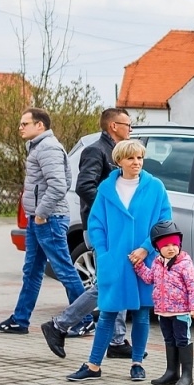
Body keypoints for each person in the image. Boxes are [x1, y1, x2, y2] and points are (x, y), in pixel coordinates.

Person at [66, 139, 172, 382]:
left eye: (140, 158)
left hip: (144, 262)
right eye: (131, 158)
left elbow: (164, 223)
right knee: (107, 313)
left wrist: (146, 249)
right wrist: (104, 255)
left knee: (143, 314)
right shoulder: (106, 189)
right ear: (119, 161)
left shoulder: (155, 187)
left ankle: (137, 363)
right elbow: (96, 225)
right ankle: (93, 365)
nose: (137, 163)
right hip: (114, 261)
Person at [41, 108, 133, 359]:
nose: (131, 128)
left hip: (115, 228)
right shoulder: (96, 150)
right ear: (113, 126)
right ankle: (58, 325)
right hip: (101, 227)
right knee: (107, 285)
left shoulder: (116, 152)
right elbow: (84, 186)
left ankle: (116, 341)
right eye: (127, 124)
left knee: (119, 282)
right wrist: (112, 207)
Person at [0, 107, 85, 334]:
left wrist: (42, 213)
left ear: (40, 126)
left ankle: (83, 320)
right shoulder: (39, 147)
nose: (20, 128)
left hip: (50, 219)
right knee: (32, 270)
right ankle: (20, 319)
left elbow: (58, 185)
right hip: (40, 219)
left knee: (64, 269)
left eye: (24, 124)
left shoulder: (48, 147)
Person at [130, 219, 194, 385]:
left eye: (174, 244)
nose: (171, 248)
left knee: (182, 339)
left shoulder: (184, 264)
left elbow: (193, 285)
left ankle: (187, 375)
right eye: (166, 245)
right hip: (163, 311)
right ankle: (171, 372)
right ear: (157, 247)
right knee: (169, 339)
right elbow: (149, 278)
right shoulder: (157, 263)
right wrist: (139, 267)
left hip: (181, 311)